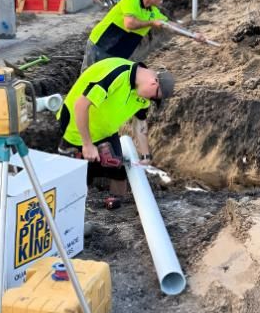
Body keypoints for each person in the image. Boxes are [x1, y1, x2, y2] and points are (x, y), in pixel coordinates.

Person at [56, 57, 175, 209]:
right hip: (76, 129)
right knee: (78, 176)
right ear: (153, 83)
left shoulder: (142, 95)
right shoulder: (117, 75)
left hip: (105, 131)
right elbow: (80, 106)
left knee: (117, 167)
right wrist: (87, 144)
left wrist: (145, 155)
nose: (150, 100)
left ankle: (117, 207)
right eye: (153, 96)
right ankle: (73, 211)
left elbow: (140, 124)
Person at [82, 0, 205, 70]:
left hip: (118, 53)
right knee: (88, 80)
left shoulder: (153, 11)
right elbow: (129, 24)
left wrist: (192, 35)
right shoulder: (131, 1)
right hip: (101, 45)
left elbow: (171, 25)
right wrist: (151, 22)